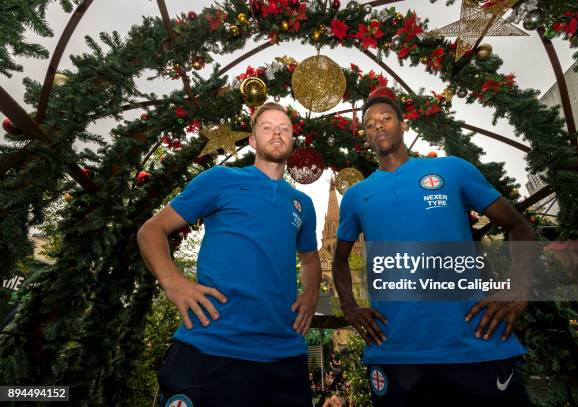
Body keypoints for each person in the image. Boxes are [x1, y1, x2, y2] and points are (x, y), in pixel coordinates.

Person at [332, 87, 536, 405]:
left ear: (404, 125)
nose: (378, 126)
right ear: (365, 137)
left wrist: (518, 289)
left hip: (475, 346)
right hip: (395, 355)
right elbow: (339, 260)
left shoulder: (452, 170)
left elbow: (519, 227)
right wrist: (350, 307)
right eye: (370, 124)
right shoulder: (357, 196)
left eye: (386, 118)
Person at [137, 102, 322, 407]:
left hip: (284, 355)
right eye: (267, 127)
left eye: (284, 128)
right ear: (252, 141)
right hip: (211, 345)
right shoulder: (220, 179)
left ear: (292, 141)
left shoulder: (302, 203)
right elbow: (151, 231)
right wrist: (173, 281)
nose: (276, 132)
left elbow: (310, 258)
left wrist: (312, 292)